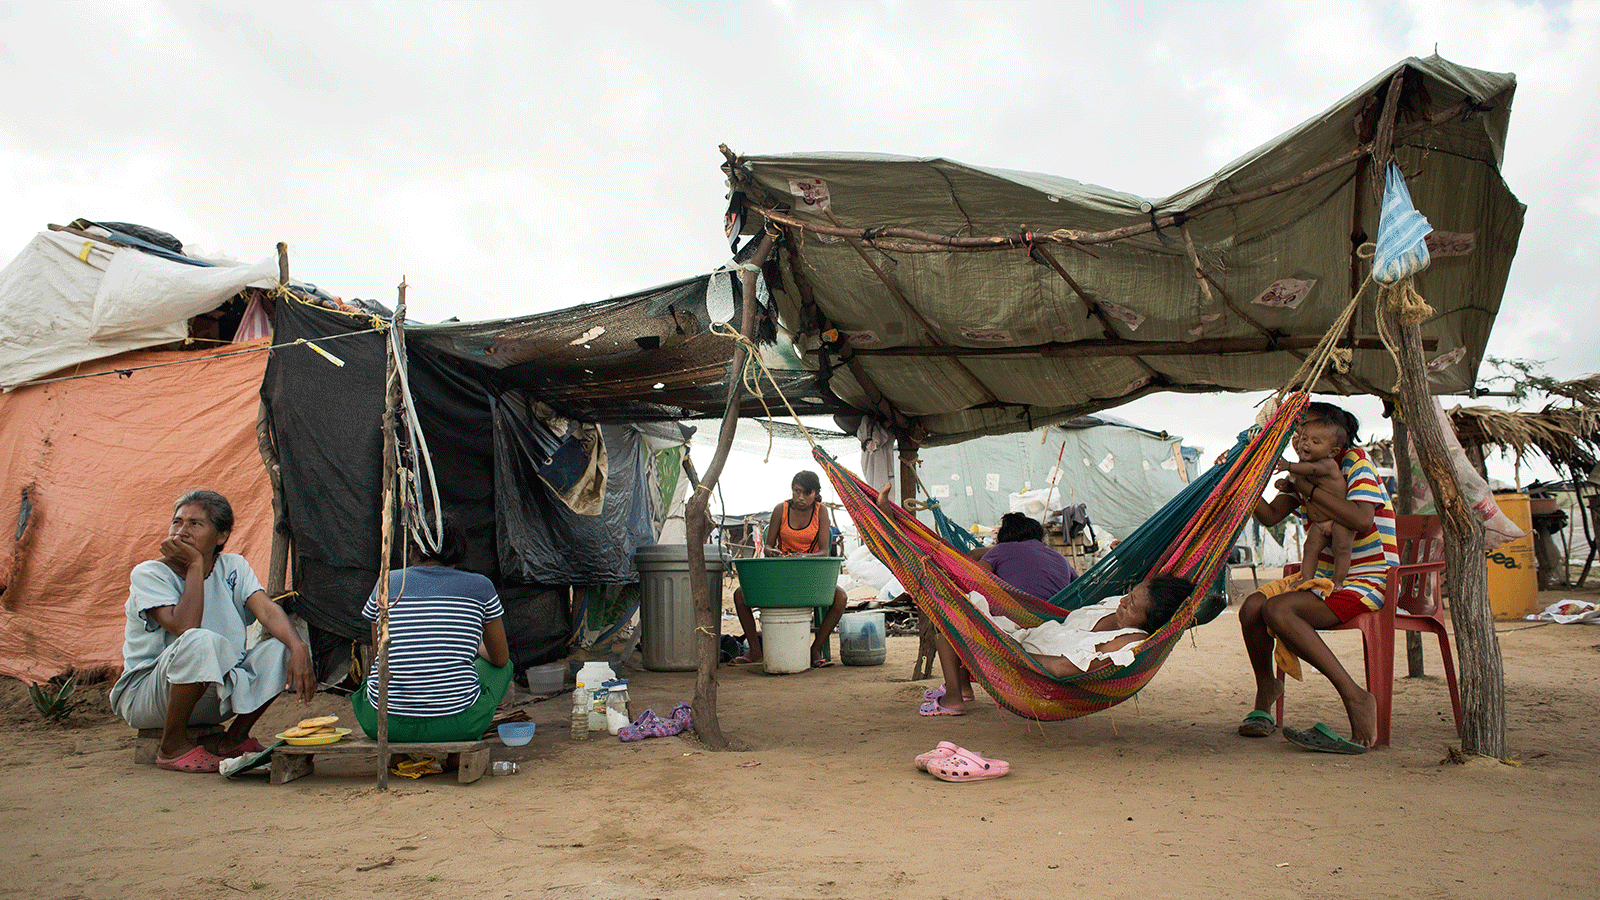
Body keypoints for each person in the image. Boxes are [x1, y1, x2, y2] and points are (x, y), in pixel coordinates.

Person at [109, 490, 315, 773]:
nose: (182, 531)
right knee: (200, 639)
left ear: (221, 536)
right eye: (177, 522)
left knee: (282, 647)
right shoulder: (149, 574)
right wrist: (195, 565)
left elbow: (266, 610)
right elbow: (185, 627)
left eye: (195, 524)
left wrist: (298, 646)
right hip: (149, 697)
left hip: (212, 691)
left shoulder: (233, 566)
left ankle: (234, 739)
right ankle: (171, 746)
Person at [1236, 402, 1397, 751]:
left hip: (1365, 577)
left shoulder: (1355, 465)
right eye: (1298, 435)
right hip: (1321, 575)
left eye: (1310, 435)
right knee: (1251, 607)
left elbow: (1362, 521)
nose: (1300, 442)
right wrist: (1239, 478)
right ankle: (1267, 691)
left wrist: (1305, 487)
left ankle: (1356, 696)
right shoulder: (1305, 470)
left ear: (1334, 442)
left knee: (1278, 610)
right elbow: (1270, 515)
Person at [919, 574, 1196, 716]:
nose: (1124, 601)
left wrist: (1011, 658)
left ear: (1151, 619)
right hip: (1028, 636)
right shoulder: (1118, 606)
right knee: (960, 604)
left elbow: (1064, 668)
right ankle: (964, 688)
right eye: (1129, 594)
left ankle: (954, 698)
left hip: (1025, 655)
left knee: (951, 621)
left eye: (1133, 603)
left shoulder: (1129, 644)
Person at [351, 515, 512, 743]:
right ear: (459, 552)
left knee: (375, 676)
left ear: (412, 551)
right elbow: (501, 659)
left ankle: (401, 751)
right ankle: (457, 748)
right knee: (503, 669)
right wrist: (473, 648)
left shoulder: (387, 582)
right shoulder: (480, 587)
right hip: (457, 724)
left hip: (382, 723)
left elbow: (380, 654)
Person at [929, 512, 1080, 704]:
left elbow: (972, 580)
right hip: (1053, 628)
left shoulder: (1000, 551)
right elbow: (1075, 589)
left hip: (1015, 630)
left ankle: (956, 695)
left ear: (1003, 537)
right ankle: (964, 689)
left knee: (952, 615)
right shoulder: (1060, 558)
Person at [730, 470, 849, 668]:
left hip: (808, 576)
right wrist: (772, 551)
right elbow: (767, 546)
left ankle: (815, 648)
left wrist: (804, 556)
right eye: (796, 491)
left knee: (841, 598)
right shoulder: (781, 510)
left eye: (806, 493)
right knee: (740, 596)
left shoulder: (821, 511)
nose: (800, 497)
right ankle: (756, 650)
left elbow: (824, 551)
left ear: (816, 493)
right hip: (781, 575)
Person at [1277, 418, 1356, 586]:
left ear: (1332, 452)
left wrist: (1288, 465)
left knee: (1342, 549)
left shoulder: (1328, 465)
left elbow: (1313, 470)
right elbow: (1299, 486)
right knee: (1310, 548)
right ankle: (1306, 578)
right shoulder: (1303, 467)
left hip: (1338, 520)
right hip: (1319, 523)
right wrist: (1286, 486)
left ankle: (1338, 582)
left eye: (1315, 442)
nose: (1306, 444)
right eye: (1304, 438)